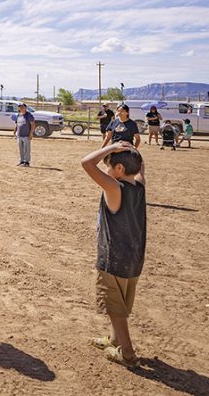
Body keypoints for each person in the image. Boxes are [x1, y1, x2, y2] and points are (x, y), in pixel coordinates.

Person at [80, 143, 146, 367]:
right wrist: (129, 151)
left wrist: (111, 147)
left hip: (113, 259)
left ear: (118, 168)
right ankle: (115, 340)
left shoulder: (115, 188)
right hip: (134, 259)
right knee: (120, 303)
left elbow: (86, 163)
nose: (107, 171)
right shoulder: (139, 185)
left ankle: (127, 354)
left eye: (109, 167)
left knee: (114, 308)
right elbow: (140, 167)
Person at [14, 102, 35, 167]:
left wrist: (31, 134)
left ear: (25, 108)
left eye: (22, 107)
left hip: (26, 135)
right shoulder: (18, 115)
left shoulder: (29, 115)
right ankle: (22, 161)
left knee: (26, 149)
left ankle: (26, 162)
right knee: (21, 149)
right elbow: (17, 124)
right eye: (20, 107)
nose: (21, 108)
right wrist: (15, 131)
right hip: (19, 135)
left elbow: (33, 124)